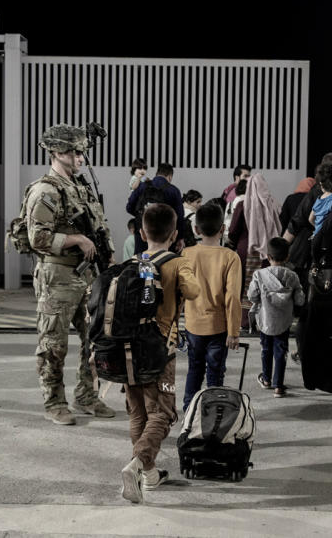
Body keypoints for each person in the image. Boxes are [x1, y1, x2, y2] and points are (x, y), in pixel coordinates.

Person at [25, 124, 115, 425]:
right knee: (54, 344)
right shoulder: (45, 190)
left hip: (87, 276)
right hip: (58, 276)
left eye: (81, 152)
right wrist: (76, 240)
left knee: (95, 339)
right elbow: (37, 238)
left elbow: (99, 226)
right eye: (74, 152)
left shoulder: (80, 187)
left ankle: (86, 395)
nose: (80, 158)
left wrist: (108, 256)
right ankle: (54, 401)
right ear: (56, 152)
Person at [121, 203, 200, 503]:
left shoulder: (133, 261)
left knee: (138, 411)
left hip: (127, 350)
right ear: (175, 233)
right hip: (159, 351)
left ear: (142, 232)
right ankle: (137, 463)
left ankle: (149, 474)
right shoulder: (178, 263)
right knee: (162, 414)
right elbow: (193, 293)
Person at [181, 203, 242, 410]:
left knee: (194, 369)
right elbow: (232, 296)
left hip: (192, 325)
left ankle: (189, 411)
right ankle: (212, 414)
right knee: (215, 372)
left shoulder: (186, 255)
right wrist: (233, 331)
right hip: (219, 327)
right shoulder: (230, 257)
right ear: (222, 229)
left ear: (196, 229)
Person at [248, 237, 304, 397]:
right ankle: (278, 386)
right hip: (284, 322)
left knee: (266, 349)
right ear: (287, 257)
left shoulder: (259, 275)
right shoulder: (292, 276)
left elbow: (252, 296)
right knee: (281, 351)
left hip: (266, 320)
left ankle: (266, 379)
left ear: (268, 256)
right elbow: (300, 300)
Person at [229, 174, 282, 330]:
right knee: (265, 287)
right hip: (267, 253)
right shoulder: (274, 205)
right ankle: (265, 320)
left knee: (246, 287)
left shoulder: (242, 206)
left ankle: (245, 321)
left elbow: (233, 231)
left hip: (246, 251)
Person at [126, 163, 186, 255]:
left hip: (143, 234)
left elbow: (129, 207)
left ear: (157, 173)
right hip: (165, 237)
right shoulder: (173, 191)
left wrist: (145, 216)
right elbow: (179, 217)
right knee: (165, 263)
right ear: (170, 176)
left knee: (142, 263)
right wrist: (180, 237)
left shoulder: (142, 186)